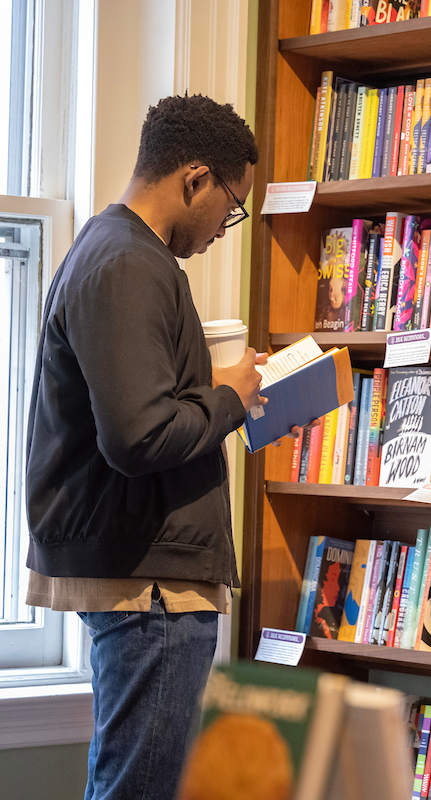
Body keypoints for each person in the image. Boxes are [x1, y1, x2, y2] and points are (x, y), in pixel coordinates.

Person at [23, 94, 294, 800]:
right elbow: (139, 436)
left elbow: (140, 411)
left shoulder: (118, 256)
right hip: (149, 580)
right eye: (230, 206)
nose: (223, 229)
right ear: (195, 179)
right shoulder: (127, 264)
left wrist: (227, 392)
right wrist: (229, 395)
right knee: (141, 788)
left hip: (149, 571)